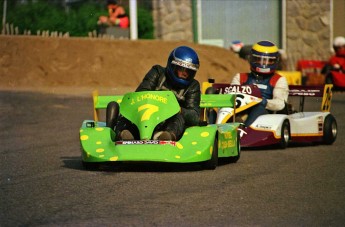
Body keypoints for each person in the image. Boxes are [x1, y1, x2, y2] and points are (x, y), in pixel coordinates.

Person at [114, 46, 201, 141]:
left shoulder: (193, 86)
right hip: (145, 117)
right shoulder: (157, 72)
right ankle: (125, 134)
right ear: (172, 66)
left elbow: (195, 116)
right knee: (128, 114)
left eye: (189, 71)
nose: (185, 74)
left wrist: (178, 109)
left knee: (179, 118)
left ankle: (167, 136)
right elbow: (140, 94)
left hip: (170, 124)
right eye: (182, 69)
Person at [230, 40, 289, 126]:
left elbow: (280, 104)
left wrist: (261, 102)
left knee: (258, 108)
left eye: (268, 61)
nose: (263, 63)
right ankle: (214, 129)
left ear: (275, 61)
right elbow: (231, 96)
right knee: (220, 108)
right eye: (259, 59)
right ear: (252, 59)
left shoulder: (279, 80)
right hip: (240, 110)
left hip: (266, 115)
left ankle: (245, 131)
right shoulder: (240, 77)